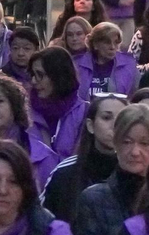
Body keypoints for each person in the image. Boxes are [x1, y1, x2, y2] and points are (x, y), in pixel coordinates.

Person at [73, 103, 149, 235]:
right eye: (126, 142)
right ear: (115, 143)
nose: (135, 152)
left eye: (145, 143)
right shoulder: (93, 199)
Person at [42, 94, 130, 224]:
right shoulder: (64, 172)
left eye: (121, 119)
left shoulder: (137, 171)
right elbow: (43, 222)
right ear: (90, 125)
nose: (115, 125)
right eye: (106, 118)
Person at [27, 47, 88, 155]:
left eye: (40, 75)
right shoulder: (25, 111)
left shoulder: (84, 113)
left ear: (58, 76)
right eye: (33, 74)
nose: (33, 81)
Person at [75, 22, 140, 97]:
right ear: (95, 44)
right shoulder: (77, 65)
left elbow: (136, 96)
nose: (112, 47)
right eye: (107, 42)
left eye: (116, 42)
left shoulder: (129, 65)